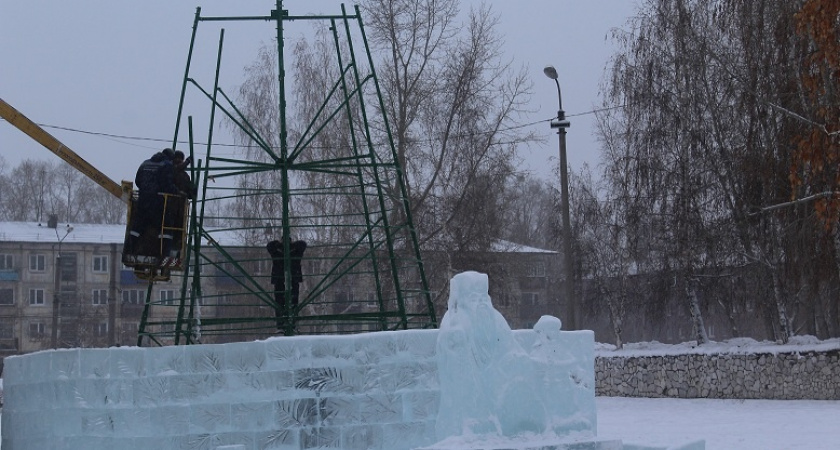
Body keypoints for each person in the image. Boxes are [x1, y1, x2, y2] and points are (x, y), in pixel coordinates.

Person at [126, 148, 178, 257]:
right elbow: (167, 184)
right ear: (170, 157)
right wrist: (178, 192)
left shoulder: (145, 163)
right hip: (157, 201)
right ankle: (164, 254)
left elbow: (138, 180)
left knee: (138, 226)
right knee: (166, 225)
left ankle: (130, 250)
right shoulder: (166, 164)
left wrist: (146, 189)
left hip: (143, 200)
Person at [266, 237, 307, 332]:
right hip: (288, 277)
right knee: (290, 301)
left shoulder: (278, 251)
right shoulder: (294, 250)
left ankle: (285, 324)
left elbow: (303, 244)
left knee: (283, 301)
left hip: (286, 277)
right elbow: (269, 246)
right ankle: (289, 324)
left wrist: (280, 245)